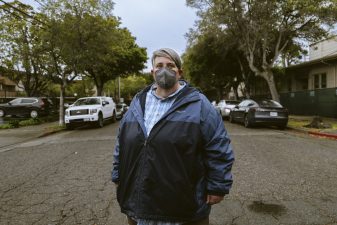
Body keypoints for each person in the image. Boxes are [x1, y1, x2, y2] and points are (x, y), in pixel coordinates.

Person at [112, 48, 234, 225]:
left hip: (183, 207)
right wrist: (117, 175)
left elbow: (218, 146)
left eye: (170, 65)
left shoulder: (199, 104)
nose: (164, 70)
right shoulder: (138, 103)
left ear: (180, 72)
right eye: (159, 65)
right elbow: (122, 143)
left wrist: (218, 186)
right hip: (139, 203)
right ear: (152, 72)